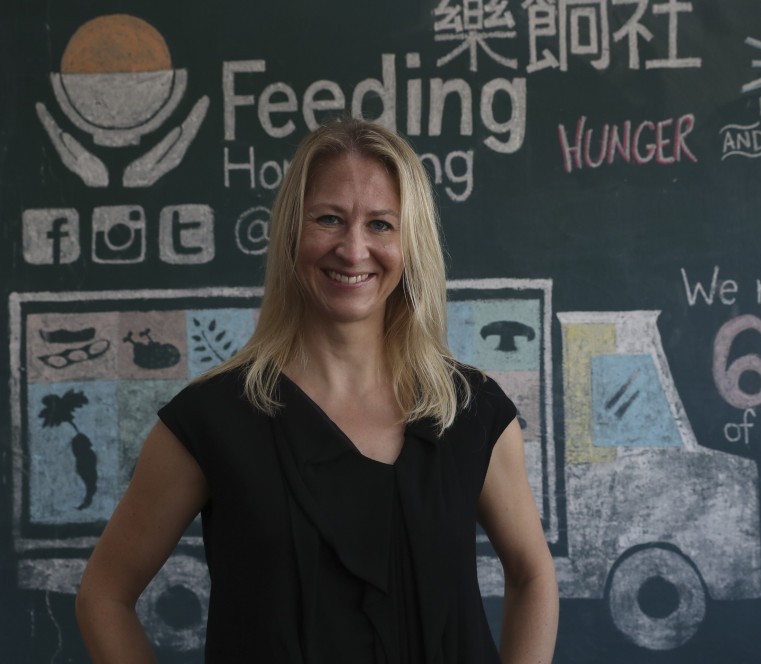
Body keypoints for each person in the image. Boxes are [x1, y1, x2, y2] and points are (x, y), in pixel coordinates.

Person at [76, 118, 558, 663]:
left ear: (411, 242)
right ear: (290, 233)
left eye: (381, 224)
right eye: (328, 219)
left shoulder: (471, 412)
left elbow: (532, 574)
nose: (354, 251)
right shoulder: (210, 421)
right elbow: (104, 595)